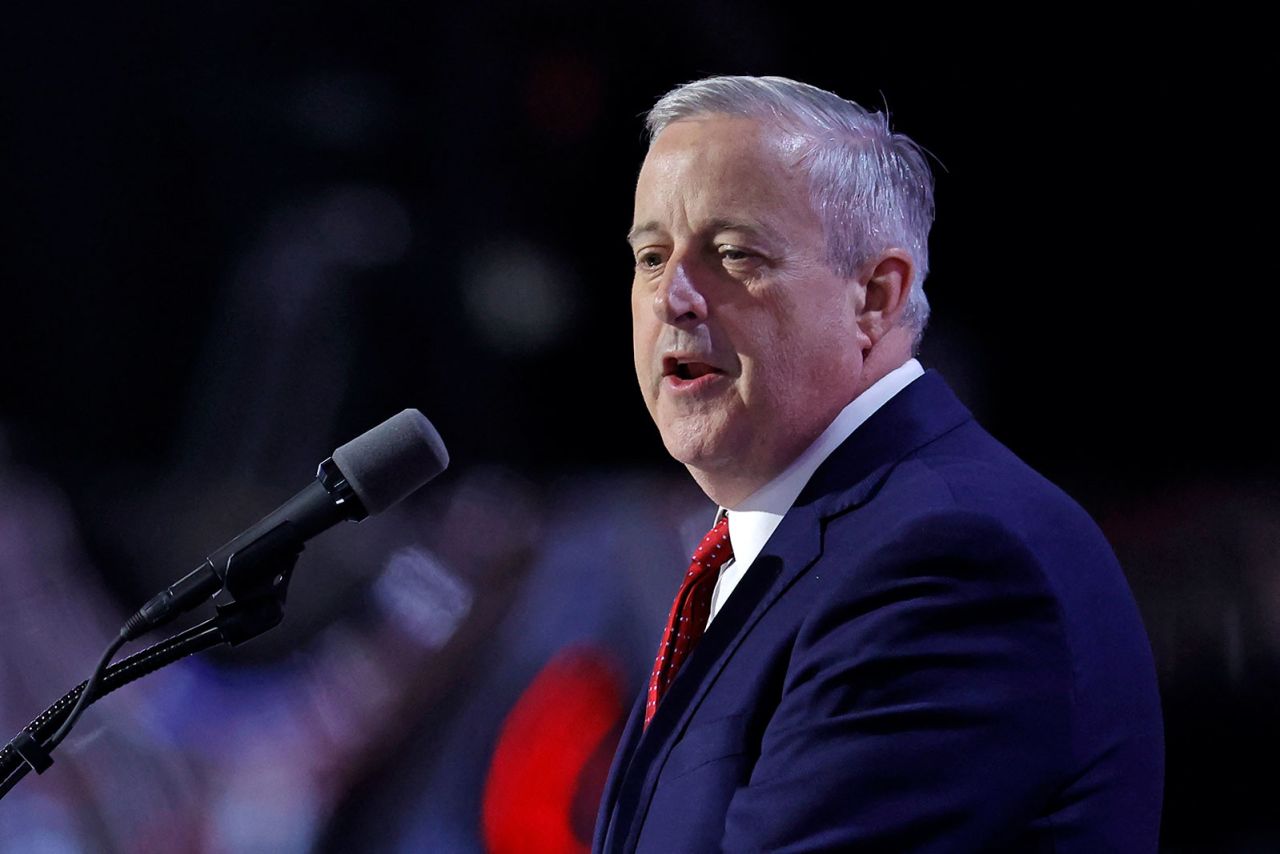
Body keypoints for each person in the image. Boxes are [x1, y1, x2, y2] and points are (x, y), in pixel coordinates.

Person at [593, 75, 1164, 853]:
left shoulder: (944, 562)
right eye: (652, 256)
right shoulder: (790, 541)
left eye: (731, 254)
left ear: (875, 295)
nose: (675, 298)